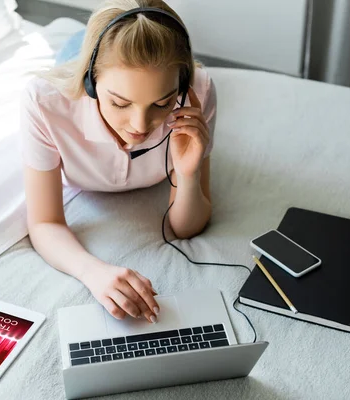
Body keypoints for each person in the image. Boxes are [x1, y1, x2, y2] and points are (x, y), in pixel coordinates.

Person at [20, 0, 217, 325]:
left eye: (161, 103)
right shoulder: (44, 103)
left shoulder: (200, 92)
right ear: (91, 82)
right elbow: (43, 222)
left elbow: (185, 228)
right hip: (75, 58)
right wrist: (93, 273)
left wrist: (188, 172)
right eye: (119, 102)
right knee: (74, 43)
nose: (140, 125)